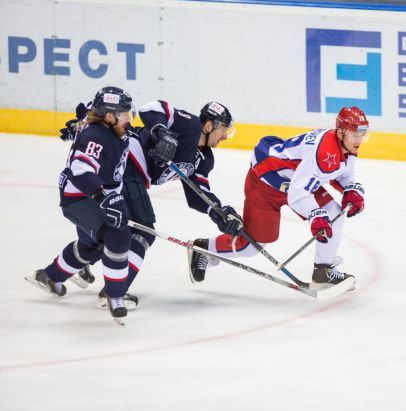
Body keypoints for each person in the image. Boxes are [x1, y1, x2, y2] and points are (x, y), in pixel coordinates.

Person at [60, 99, 244, 307]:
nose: (225, 137)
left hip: (134, 175)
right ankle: (113, 294)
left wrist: (218, 211)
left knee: (114, 230)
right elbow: (153, 108)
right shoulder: (190, 125)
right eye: (223, 130)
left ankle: (66, 268)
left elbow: (198, 194)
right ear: (209, 126)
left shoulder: (204, 159)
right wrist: (162, 133)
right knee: (143, 232)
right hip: (127, 162)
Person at [187, 107, 369, 289]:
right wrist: (316, 215)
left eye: (362, 135)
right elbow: (297, 193)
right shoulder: (324, 152)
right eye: (355, 135)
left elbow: (341, 172)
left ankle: (324, 271)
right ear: (340, 132)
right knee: (250, 247)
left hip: (296, 181)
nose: (359, 140)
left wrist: (350, 189)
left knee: (333, 212)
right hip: (266, 181)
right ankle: (204, 249)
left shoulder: (346, 145)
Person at [26, 86, 134, 324]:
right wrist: (103, 198)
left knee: (91, 246)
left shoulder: (109, 127)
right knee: (118, 236)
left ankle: (49, 276)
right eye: (125, 113)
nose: (129, 118)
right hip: (81, 198)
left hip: (97, 195)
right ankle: (115, 296)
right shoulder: (96, 137)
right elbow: (81, 170)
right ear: (108, 116)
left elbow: (86, 109)